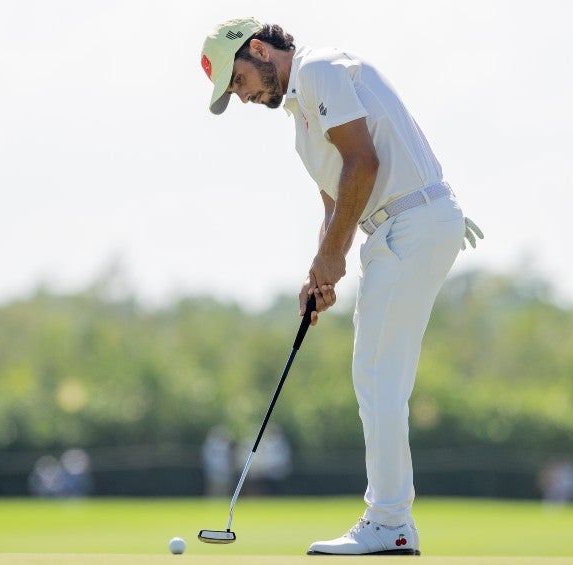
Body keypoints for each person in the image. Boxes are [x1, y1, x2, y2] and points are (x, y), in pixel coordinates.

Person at [200, 17, 482, 556]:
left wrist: (333, 256)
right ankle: (391, 519)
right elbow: (336, 202)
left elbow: (364, 163)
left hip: (412, 219)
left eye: (238, 81)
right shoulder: (301, 125)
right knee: (376, 375)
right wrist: (320, 271)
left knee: (377, 375)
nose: (241, 97)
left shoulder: (319, 69)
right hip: (395, 228)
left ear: (258, 49)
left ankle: (390, 521)